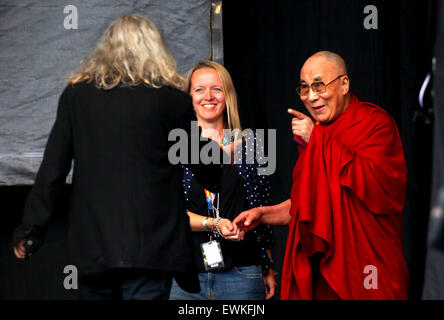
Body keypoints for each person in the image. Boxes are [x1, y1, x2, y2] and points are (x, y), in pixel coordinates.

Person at [12, 14, 225, 300]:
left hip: (93, 248)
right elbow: (209, 169)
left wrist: (31, 230)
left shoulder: (77, 97)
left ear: (106, 50)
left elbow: (53, 168)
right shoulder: (170, 100)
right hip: (154, 248)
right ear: (156, 50)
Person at [234, 51, 409, 300]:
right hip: (323, 275)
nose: (311, 97)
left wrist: (317, 141)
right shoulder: (319, 137)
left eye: (319, 86)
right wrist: (263, 214)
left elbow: (380, 191)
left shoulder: (375, 124)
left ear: (344, 84)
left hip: (368, 272)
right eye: (304, 89)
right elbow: (307, 206)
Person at [168, 61, 276, 300]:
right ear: (188, 97)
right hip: (186, 276)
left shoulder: (251, 145)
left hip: (242, 274)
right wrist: (214, 224)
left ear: (227, 95)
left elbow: (263, 211)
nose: (208, 96)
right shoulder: (174, 148)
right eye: (199, 90)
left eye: (217, 89)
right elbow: (168, 215)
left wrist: (266, 266)